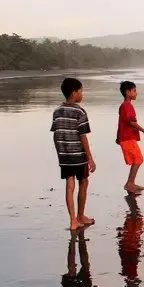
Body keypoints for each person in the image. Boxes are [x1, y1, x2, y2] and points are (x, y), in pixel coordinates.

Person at [51, 78, 96, 231]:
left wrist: (60, 154)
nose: (82, 94)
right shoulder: (79, 112)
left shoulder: (57, 111)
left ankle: (72, 221)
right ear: (74, 92)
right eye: (81, 91)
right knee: (83, 182)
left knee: (69, 186)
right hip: (78, 155)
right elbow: (83, 136)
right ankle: (81, 216)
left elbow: (56, 135)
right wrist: (90, 158)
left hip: (64, 156)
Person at [117, 81, 144, 195]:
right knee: (138, 159)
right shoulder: (127, 106)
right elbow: (131, 122)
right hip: (127, 138)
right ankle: (130, 183)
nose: (136, 93)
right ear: (128, 92)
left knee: (137, 159)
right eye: (134, 91)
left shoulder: (126, 106)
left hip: (127, 138)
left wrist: (118, 138)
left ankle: (131, 182)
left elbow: (122, 123)